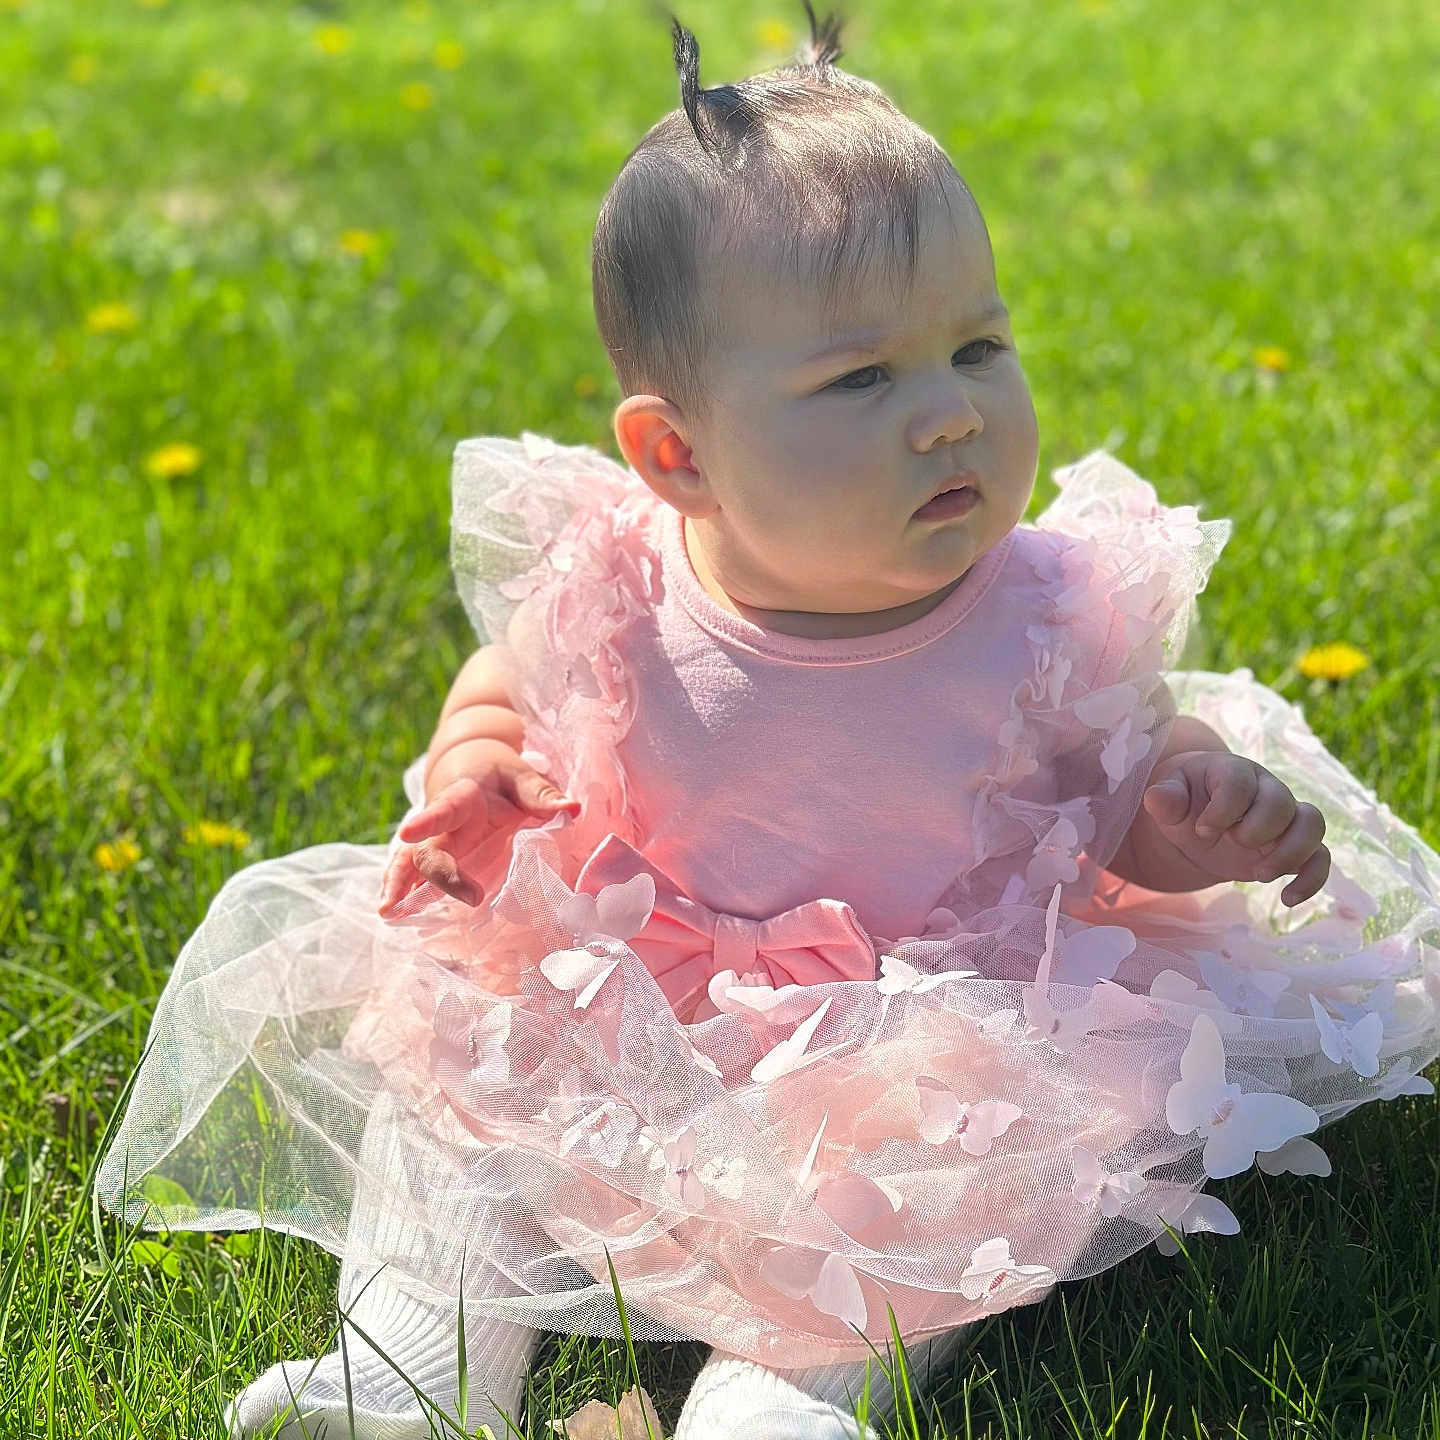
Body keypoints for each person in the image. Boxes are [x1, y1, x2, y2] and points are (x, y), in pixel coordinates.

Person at [96, 5, 1440, 1439]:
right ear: (677, 453)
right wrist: (477, 766)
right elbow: (514, 695)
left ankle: (772, 1404)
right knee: (457, 1092)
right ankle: (412, 1368)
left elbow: (1122, 789)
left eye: (978, 348)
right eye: (864, 378)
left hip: (914, 1028)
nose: (949, 416)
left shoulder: (1041, 613)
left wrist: (1194, 817)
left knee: (915, 1205)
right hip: (632, 980)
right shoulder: (614, 579)